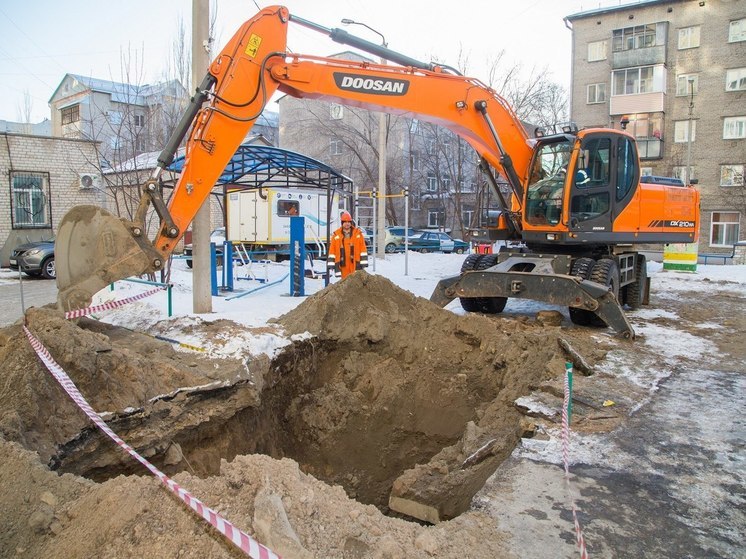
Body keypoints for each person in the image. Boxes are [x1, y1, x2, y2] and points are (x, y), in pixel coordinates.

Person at [327, 211, 368, 279]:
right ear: (342, 223)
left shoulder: (358, 234)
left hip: (355, 263)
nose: (347, 224)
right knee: (345, 283)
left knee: (356, 283)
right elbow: (332, 251)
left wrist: (363, 263)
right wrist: (331, 264)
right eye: (345, 222)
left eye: (349, 222)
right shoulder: (336, 235)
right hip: (343, 265)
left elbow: (363, 249)